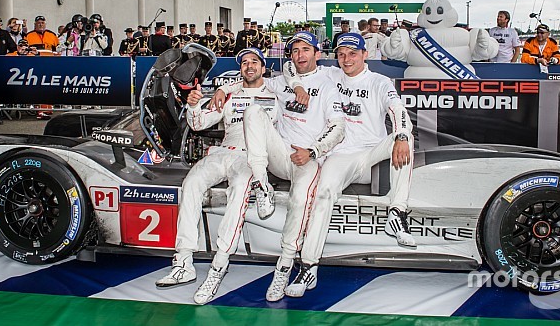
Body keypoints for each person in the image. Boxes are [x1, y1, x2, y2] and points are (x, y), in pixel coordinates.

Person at [280, 32, 415, 297]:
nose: (346, 59)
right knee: (322, 194)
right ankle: (308, 267)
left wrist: (399, 135)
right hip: (340, 155)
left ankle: (396, 213)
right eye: (341, 54)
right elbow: (288, 66)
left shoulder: (379, 80)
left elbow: (397, 107)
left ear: (366, 55)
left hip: (372, 152)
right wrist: (297, 86)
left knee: (405, 136)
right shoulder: (330, 74)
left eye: (353, 53)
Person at [214, 31, 345, 302]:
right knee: (252, 111)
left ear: (317, 53)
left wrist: (313, 150)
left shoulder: (328, 83)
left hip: (306, 157)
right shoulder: (281, 80)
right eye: (295, 50)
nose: (300, 55)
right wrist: (222, 89)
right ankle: (262, 185)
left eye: (305, 49)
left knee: (299, 201)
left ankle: (284, 267)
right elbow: (247, 82)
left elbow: (339, 128)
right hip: (279, 154)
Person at [156, 48, 279, 303]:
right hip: (223, 151)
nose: (249, 66)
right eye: (244, 62)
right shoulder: (230, 95)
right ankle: (184, 262)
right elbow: (199, 124)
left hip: (251, 158)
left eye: (254, 62)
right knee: (191, 183)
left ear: (264, 68)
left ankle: (218, 267)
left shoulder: (277, 93)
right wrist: (192, 106)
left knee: (239, 192)